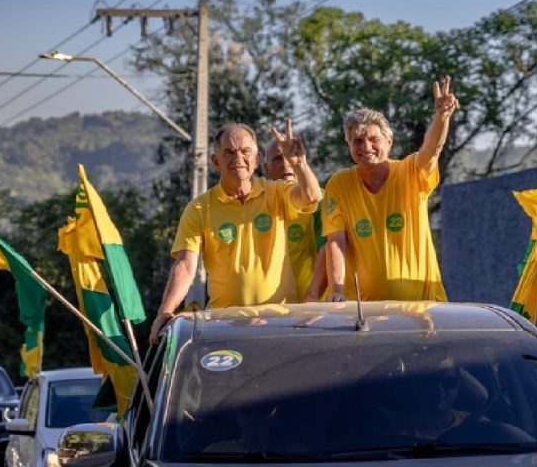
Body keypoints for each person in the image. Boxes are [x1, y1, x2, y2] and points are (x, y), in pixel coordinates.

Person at [149, 120, 321, 343]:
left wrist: (299, 164)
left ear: (257, 159)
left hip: (279, 322)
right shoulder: (200, 208)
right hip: (225, 325)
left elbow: (311, 197)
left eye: (245, 151)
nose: (238, 158)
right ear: (215, 161)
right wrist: (166, 310)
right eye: (229, 152)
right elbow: (185, 265)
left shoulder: (277, 193)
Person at [323, 76, 459, 301]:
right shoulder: (339, 183)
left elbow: (431, 150)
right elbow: (335, 242)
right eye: (357, 141)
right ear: (349, 145)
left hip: (422, 309)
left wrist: (442, 117)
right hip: (361, 314)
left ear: (389, 141)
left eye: (374, 139)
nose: (366, 147)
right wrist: (337, 291)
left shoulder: (410, 172)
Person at [262, 138, 327, 301]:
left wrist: (312, 295)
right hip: (267, 312)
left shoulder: (319, 201)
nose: (286, 163)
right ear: (265, 168)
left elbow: (329, 250)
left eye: (290, 156)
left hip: (310, 308)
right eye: (277, 158)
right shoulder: (255, 203)